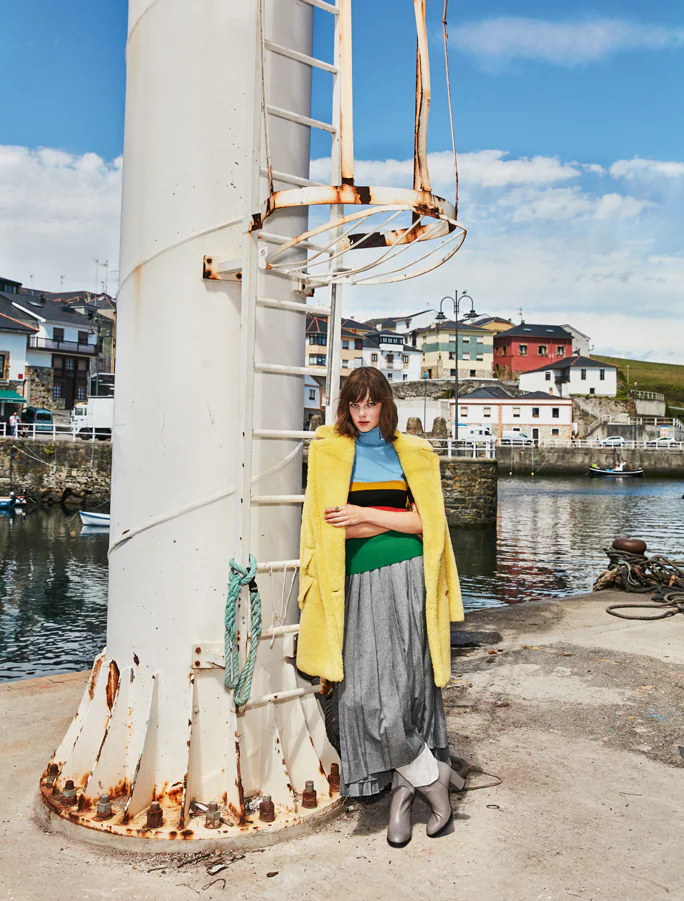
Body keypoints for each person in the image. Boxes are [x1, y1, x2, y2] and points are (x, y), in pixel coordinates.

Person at [296, 367, 465, 848]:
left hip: (410, 579)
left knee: (409, 687)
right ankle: (432, 777)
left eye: (371, 403)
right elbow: (328, 528)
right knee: (361, 698)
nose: (364, 413)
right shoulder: (329, 451)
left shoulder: (413, 451)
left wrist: (366, 514)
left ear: (386, 404)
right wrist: (392, 521)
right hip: (352, 583)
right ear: (345, 406)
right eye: (355, 404)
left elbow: (427, 525)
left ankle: (401, 797)